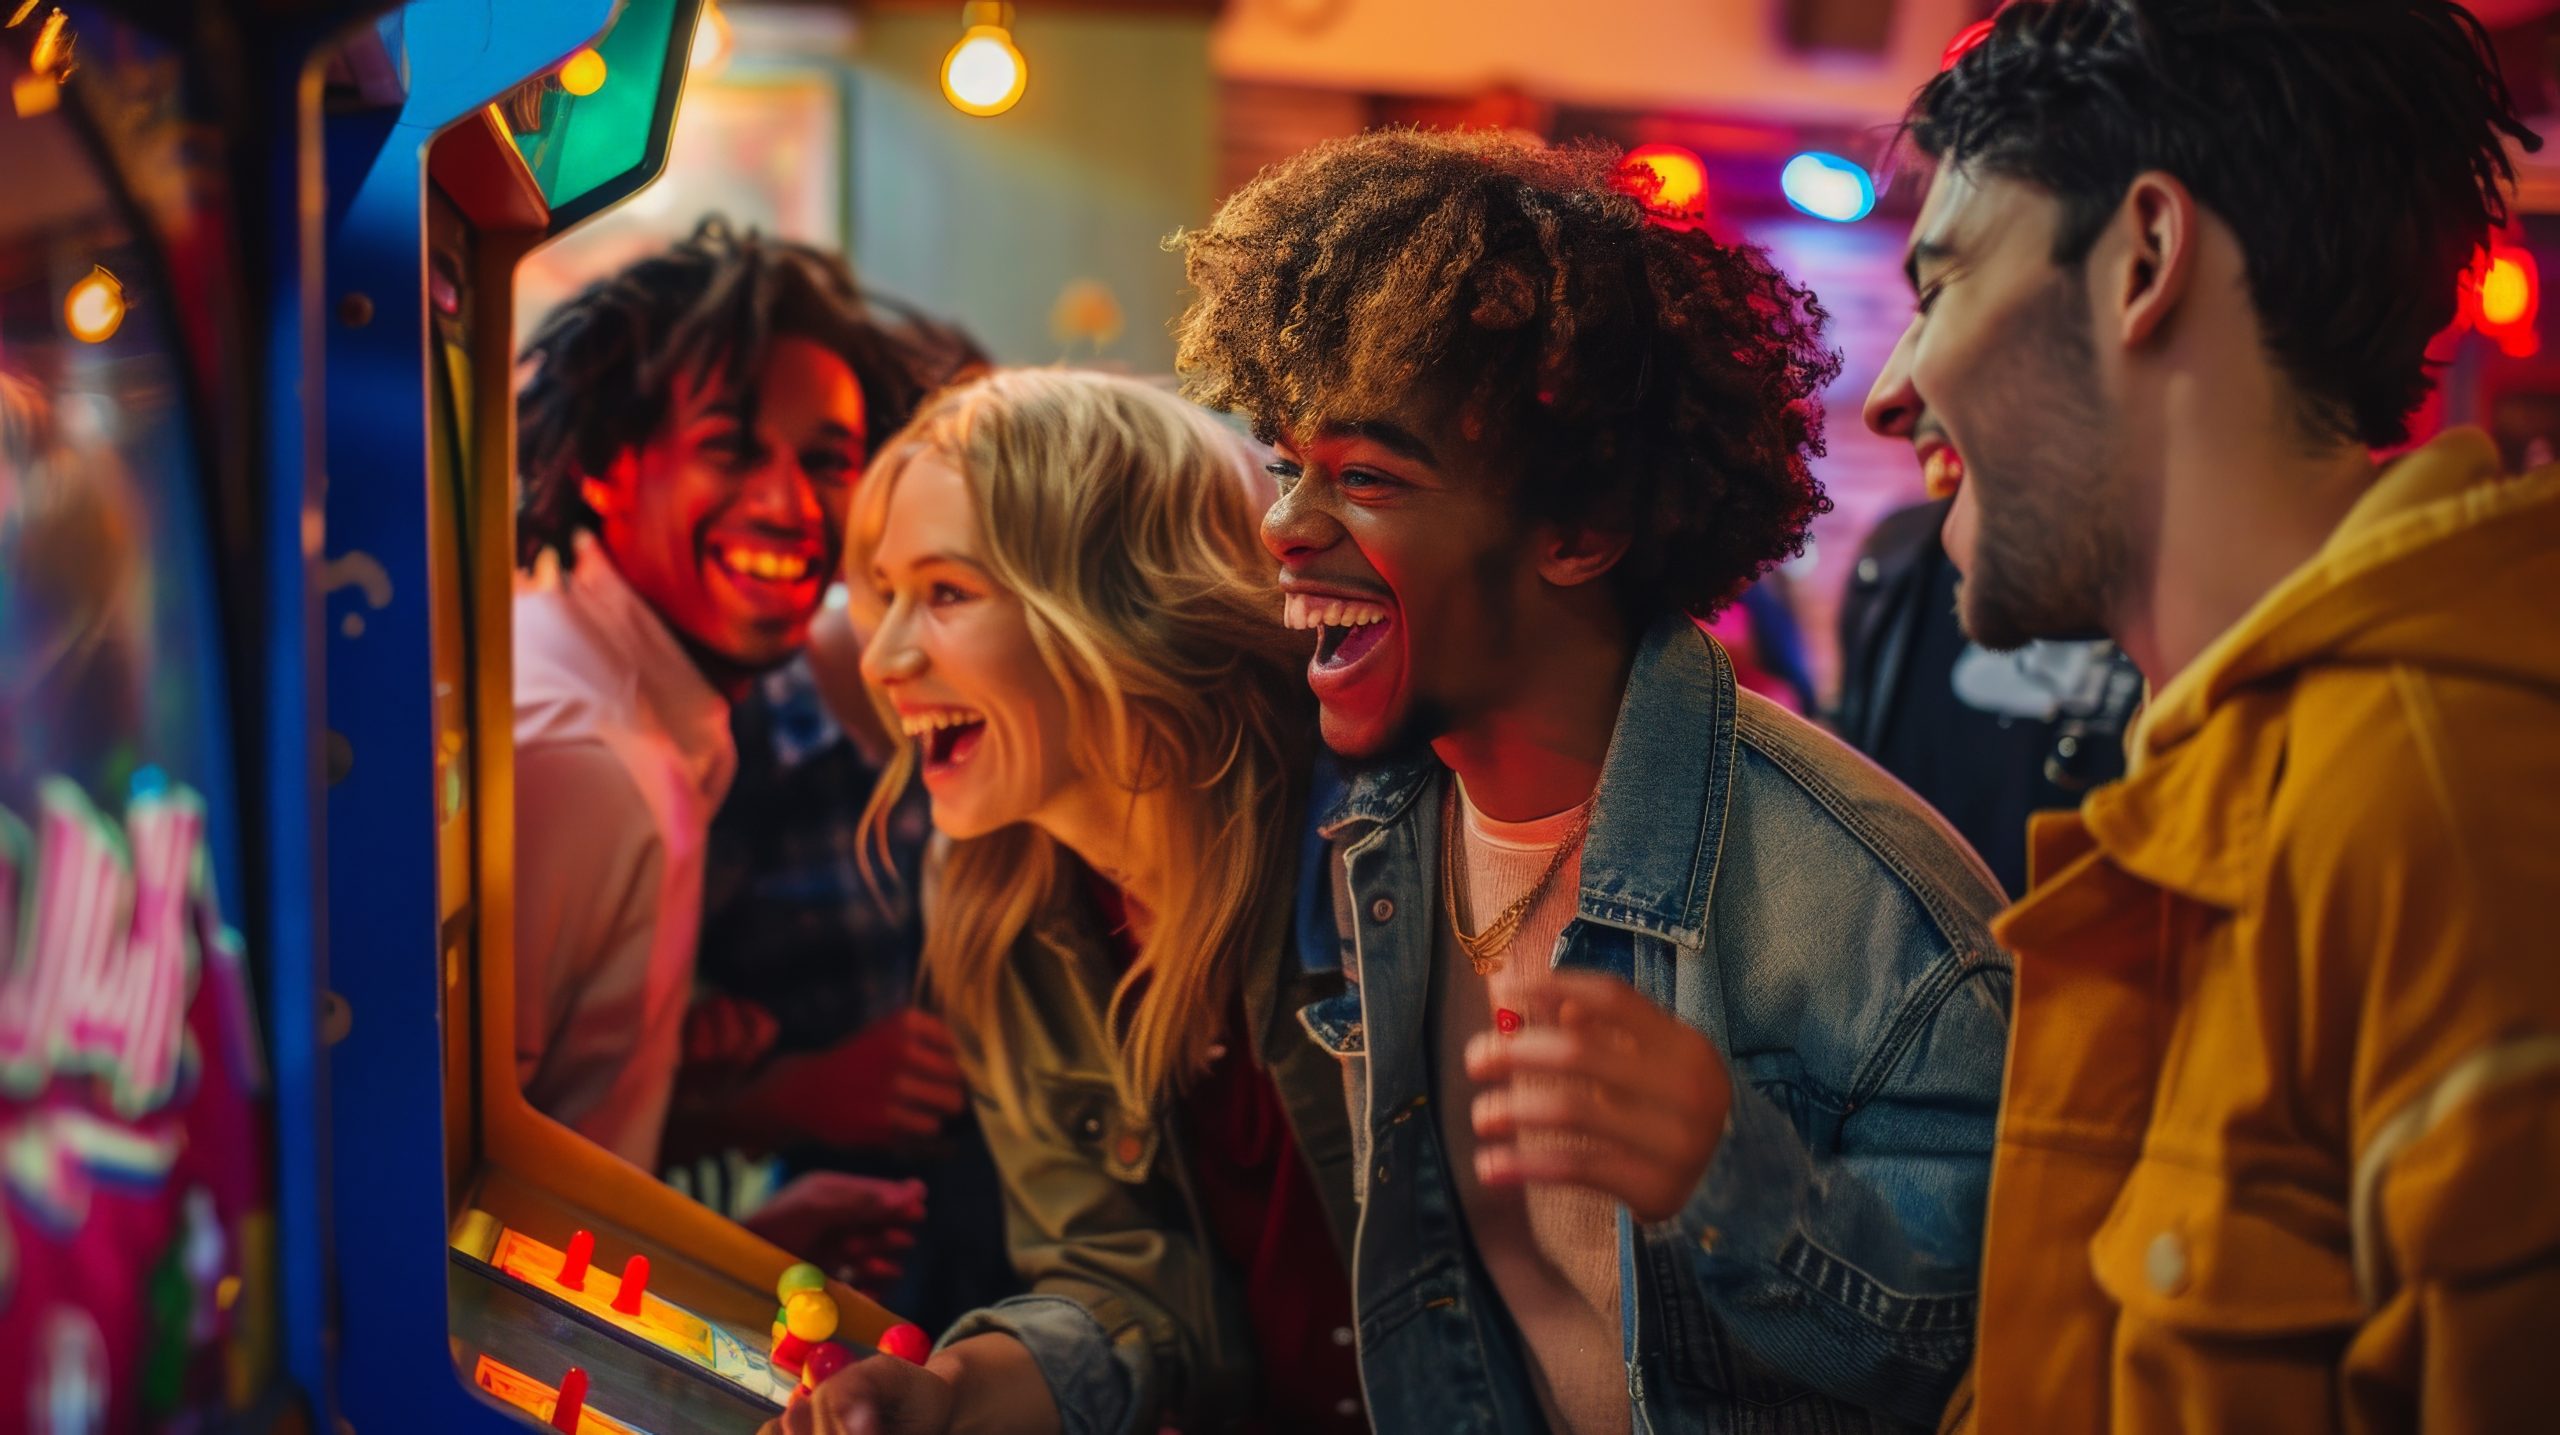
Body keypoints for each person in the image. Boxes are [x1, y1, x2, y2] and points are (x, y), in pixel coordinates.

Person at [1172, 128, 2013, 1434]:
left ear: (1581, 529)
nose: (1286, 523)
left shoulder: (1877, 913)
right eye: (1291, 464)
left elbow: (1999, 1359)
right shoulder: (1375, 835)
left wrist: (1733, 1180)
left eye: (1369, 476)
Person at [1863, 2, 2560, 1428]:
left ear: (2144, 258)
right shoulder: (2258, 776)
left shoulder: (2442, 809)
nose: (1891, 391)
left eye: (1937, 288)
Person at [772, 369, 1364, 1435]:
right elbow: (1120, 1285)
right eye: (885, 595)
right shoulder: (996, 899)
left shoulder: (1378, 852)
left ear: (1119, 600)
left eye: (946, 592)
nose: (884, 656)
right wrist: (947, 1396)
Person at [510, 218, 934, 1267]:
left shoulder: (654, 711)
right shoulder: (586, 761)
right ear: (605, 461)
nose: (790, 506)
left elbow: (551, 1151)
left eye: (827, 462)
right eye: (729, 450)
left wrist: (741, 1246)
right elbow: (442, 1193)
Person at [1833, 495, 2140, 896]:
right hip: (1924, 938)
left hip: (2095, 940)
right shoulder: (1898, 554)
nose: (1885, 428)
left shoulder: (2166, 560)